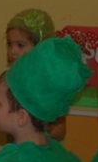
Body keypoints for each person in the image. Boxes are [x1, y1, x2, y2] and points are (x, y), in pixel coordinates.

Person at [4, 8, 66, 140]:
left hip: (41, 149)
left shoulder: (49, 85)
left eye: (20, 45)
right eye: (9, 44)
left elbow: (60, 132)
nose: (12, 51)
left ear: (41, 49)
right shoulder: (10, 80)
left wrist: (37, 124)